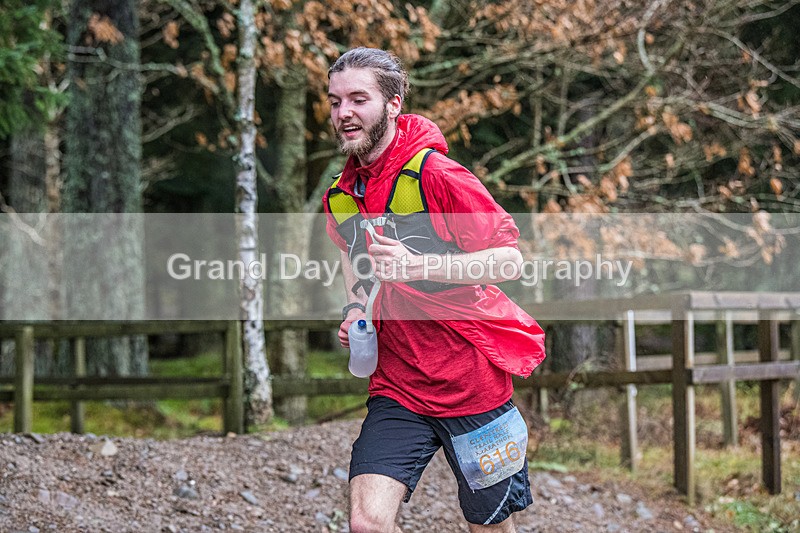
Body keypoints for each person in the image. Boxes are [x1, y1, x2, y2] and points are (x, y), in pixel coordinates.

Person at [322, 47, 546, 533]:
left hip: (471, 383)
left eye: (358, 99)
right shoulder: (343, 192)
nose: (344, 113)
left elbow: (509, 259)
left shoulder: (439, 176)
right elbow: (350, 252)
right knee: (366, 523)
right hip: (398, 384)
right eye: (335, 102)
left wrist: (417, 264)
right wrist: (356, 307)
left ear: (394, 104)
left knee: (488, 526)